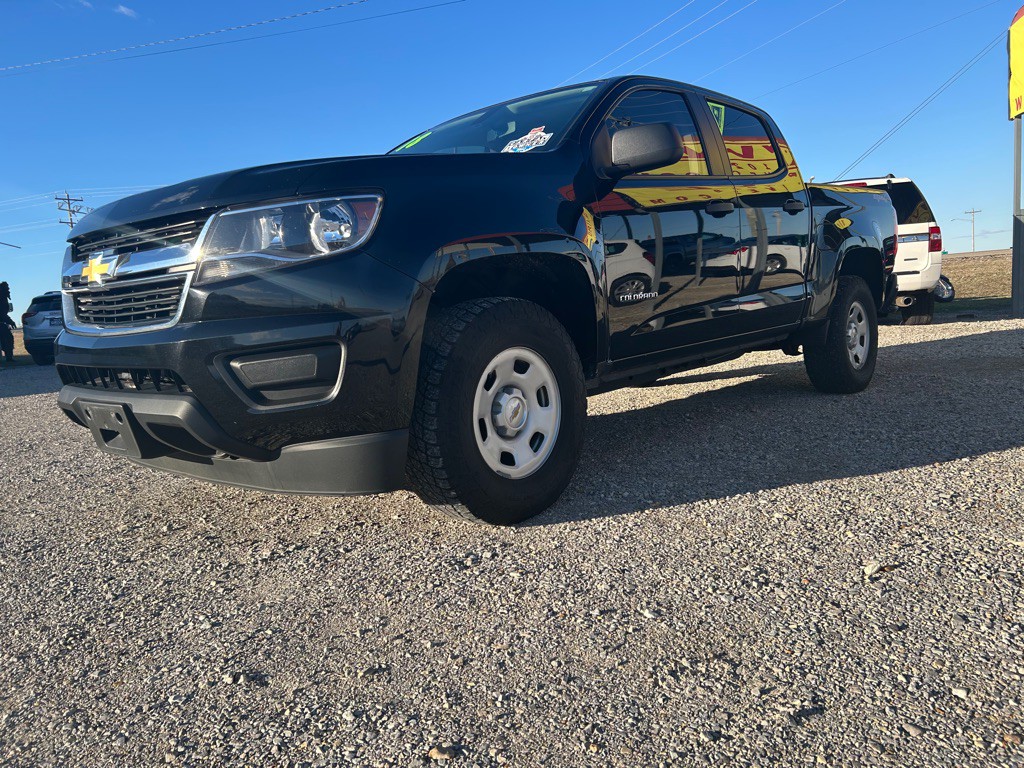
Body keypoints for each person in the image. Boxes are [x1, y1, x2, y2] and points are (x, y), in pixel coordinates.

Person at [0, 282, 15, 363]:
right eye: (7, 287)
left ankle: (9, 357)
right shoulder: (2, 296)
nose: (9, 289)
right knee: (8, 339)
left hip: (2, 322)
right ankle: (9, 357)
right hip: (1, 322)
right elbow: (2, 313)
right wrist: (11, 321)